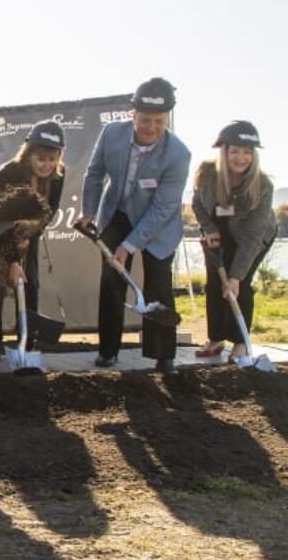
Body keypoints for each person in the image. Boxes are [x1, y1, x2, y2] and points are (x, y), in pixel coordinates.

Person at [81, 77, 190, 373]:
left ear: (167, 118)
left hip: (159, 224)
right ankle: (108, 350)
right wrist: (89, 212)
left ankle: (163, 354)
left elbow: (163, 208)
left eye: (158, 121)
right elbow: (94, 174)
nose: (151, 127)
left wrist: (129, 246)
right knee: (112, 278)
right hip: (118, 212)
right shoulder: (112, 134)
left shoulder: (178, 154)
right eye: (145, 120)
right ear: (133, 115)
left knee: (158, 282)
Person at [0, 121, 65, 362]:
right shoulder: (8, 175)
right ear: (29, 154)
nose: (47, 165)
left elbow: (50, 209)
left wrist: (33, 231)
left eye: (52, 159)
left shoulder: (57, 176)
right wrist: (13, 259)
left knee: (29, 285)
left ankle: (26, 343)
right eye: (41, 159)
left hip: (29, 233)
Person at [192, 120, 276, 362]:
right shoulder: (207, 174)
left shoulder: (263, 185)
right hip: (217, 235)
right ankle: (216, 338)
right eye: (235, 151)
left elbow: (253, 236)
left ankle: (240, 343)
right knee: (214, 285)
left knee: (239, 286)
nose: (241, 157)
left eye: (247, 151)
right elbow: (197, 203)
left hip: (253, 237)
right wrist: (208, 229)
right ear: (224, 151)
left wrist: (236, 276)